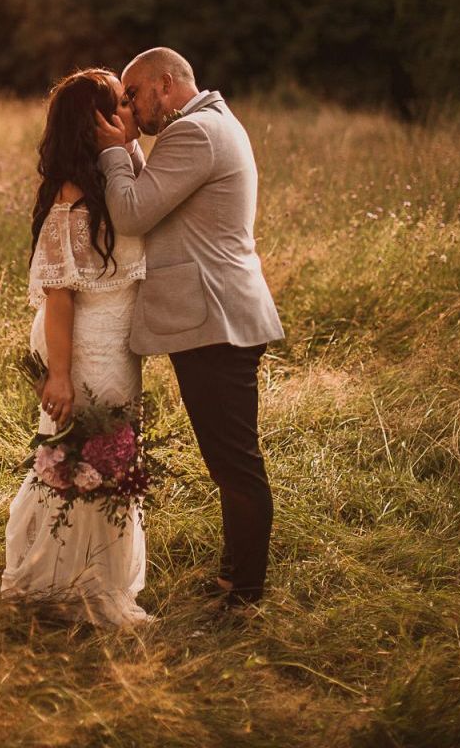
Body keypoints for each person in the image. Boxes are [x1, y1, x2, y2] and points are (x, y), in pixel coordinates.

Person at [95, 47, 285, 612]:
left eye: (133, 95)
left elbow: (131, 213)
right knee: (230, 460)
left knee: (235, 463)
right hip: (218, 319)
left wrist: (112, 151)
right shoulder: (210, 125)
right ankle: (235, 578)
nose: (129, 107)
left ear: (166, 84)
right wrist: (130, 145)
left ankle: (245, 594)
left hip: (215, 322)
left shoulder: (193, 134)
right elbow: (154, 198)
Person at [0, 68, 153, 628]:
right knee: (81, 456)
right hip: (85, 345)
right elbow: (60, 298)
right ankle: (61, 582)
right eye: (120, 103)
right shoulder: (72, 195)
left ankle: (97, 576)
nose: (132, 108)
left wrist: (129, 147)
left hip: (120, 345)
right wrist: (58, 376)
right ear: (96, 122)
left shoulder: (124, 174)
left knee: (112, 455)